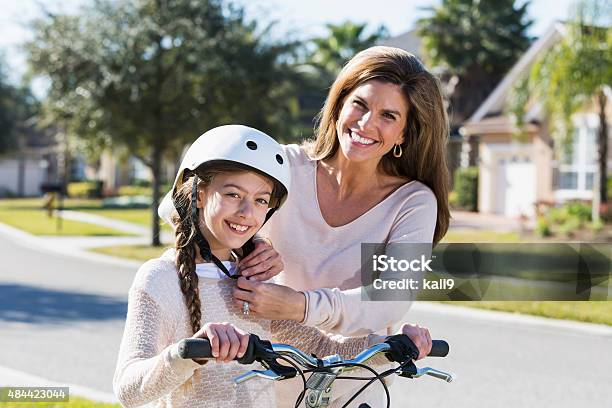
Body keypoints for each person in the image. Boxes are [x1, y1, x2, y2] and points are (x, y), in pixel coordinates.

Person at [114, 125, 425, 408]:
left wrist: (392, 346)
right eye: (233, 194)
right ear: (199, 193)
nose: (247, 213)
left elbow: (322, 350)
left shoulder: (255, 288)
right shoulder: (160, 279)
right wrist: (187, 353)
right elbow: (128, 389)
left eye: (261, 200)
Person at [232, 46, 450, 406]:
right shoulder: (283, 166)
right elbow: (182, 210)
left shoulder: (414, 202)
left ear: (404, 135)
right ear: (339, 105)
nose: (366, 124)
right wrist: (250, 244)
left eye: (388, 115)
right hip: (264, 376)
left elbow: (392, 297)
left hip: (353, 384)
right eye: (360, 105)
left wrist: (300, 306)